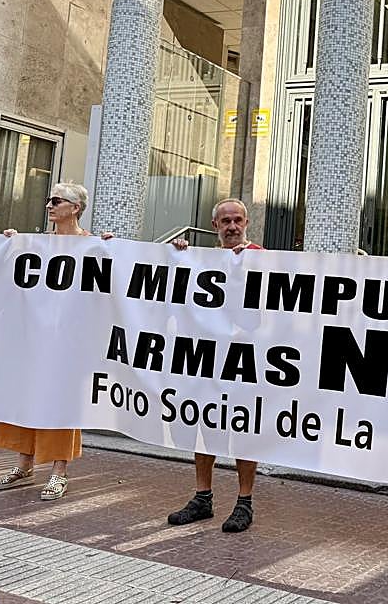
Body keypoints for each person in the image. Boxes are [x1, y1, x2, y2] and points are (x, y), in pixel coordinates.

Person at [0, 182, 108, 501]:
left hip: (70, 341)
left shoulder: (93, 247)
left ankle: (59, 471)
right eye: (49, 200)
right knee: (26, 395)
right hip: (32, 337)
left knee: (62, 402)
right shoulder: (36, 244)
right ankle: (24, 464)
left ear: (76, 208)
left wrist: (113, 250)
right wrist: (8, 245)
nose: (49, 206)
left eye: (57, 201)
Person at [167, 198, 264, 533]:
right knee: (204, 423)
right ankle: (202, 497)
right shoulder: (201, 261)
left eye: (237, 220)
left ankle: (244, 502)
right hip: (207, 359)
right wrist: (178, 254)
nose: (232, 227)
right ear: (215, 226)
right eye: (226, 221)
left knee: (243, 429)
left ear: (247, 222)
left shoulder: (263, 258)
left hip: (245, 359)